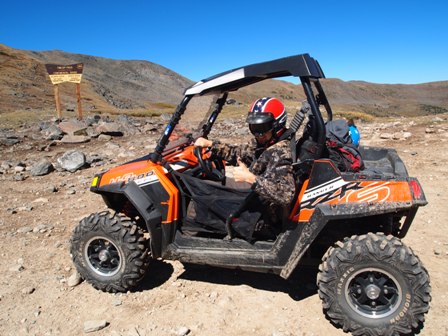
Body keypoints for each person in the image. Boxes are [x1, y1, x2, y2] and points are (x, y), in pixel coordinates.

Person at [194, 97, 296, 238]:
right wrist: (211, 144)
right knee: (207, 184)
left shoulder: (281, 152)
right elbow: (240, 152)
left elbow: (285, 195)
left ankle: (193, 234)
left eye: (262, 128)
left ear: (277, 125)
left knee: (200, 191)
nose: (257, 134)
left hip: (261, 212)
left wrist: (251, 178)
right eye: (254, 128)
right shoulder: (265, 143)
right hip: (254, 195)